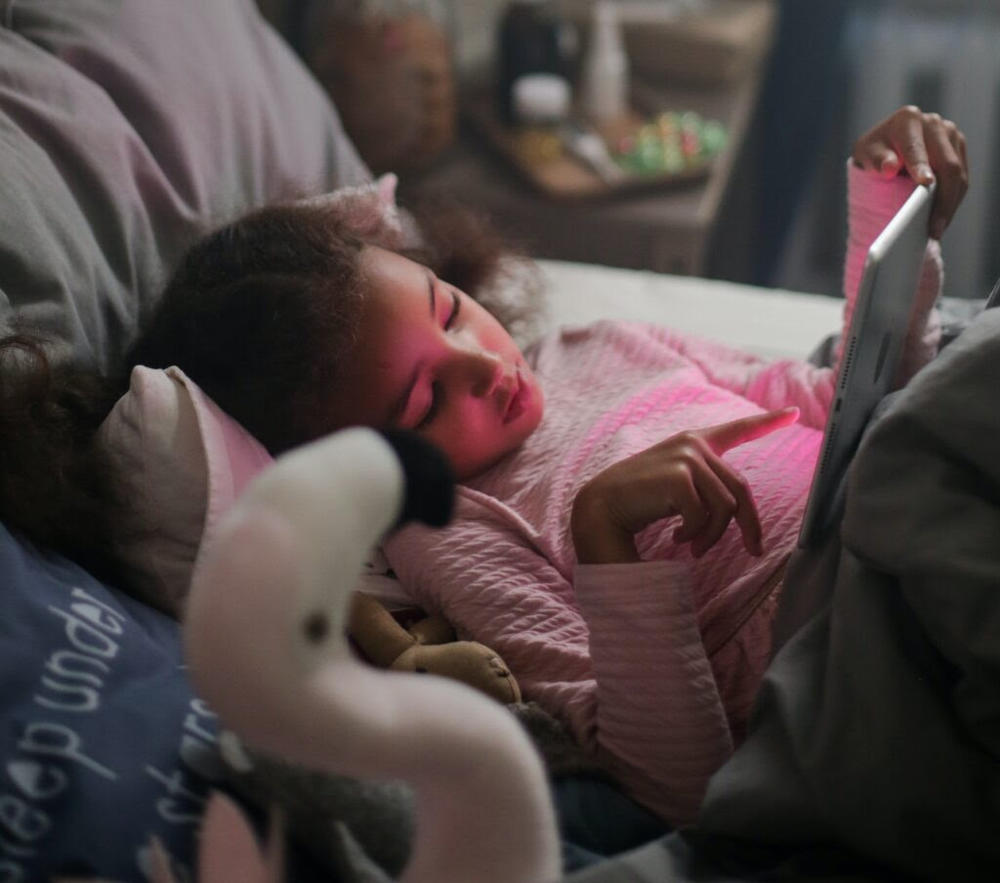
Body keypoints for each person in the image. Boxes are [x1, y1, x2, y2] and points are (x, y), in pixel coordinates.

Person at [0, 107, 968, 827]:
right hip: (855, 637)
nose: (480, 364)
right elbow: (675, 780)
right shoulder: (452, 532)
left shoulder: (601, 343)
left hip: (904, 495)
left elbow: (843, 401)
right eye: (425, 402)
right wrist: (605, 542)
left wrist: (890, 225)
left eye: (451, 311)